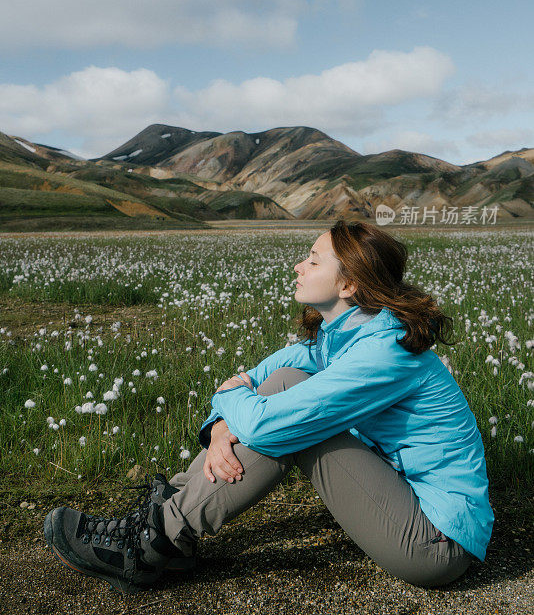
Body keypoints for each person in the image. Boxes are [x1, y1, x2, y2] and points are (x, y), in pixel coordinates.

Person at [44, 219, 494, 594]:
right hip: (404, 502)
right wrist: (221, 424)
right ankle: (167, 523)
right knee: (284, 385)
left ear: (350, 283)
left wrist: (229, 402)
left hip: (436, 542)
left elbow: (263, 418)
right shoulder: (336, 340)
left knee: (283, 420)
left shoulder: (384, 352)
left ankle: (149, 545)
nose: (298, 265)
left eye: (313, 260)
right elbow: (259, 381)